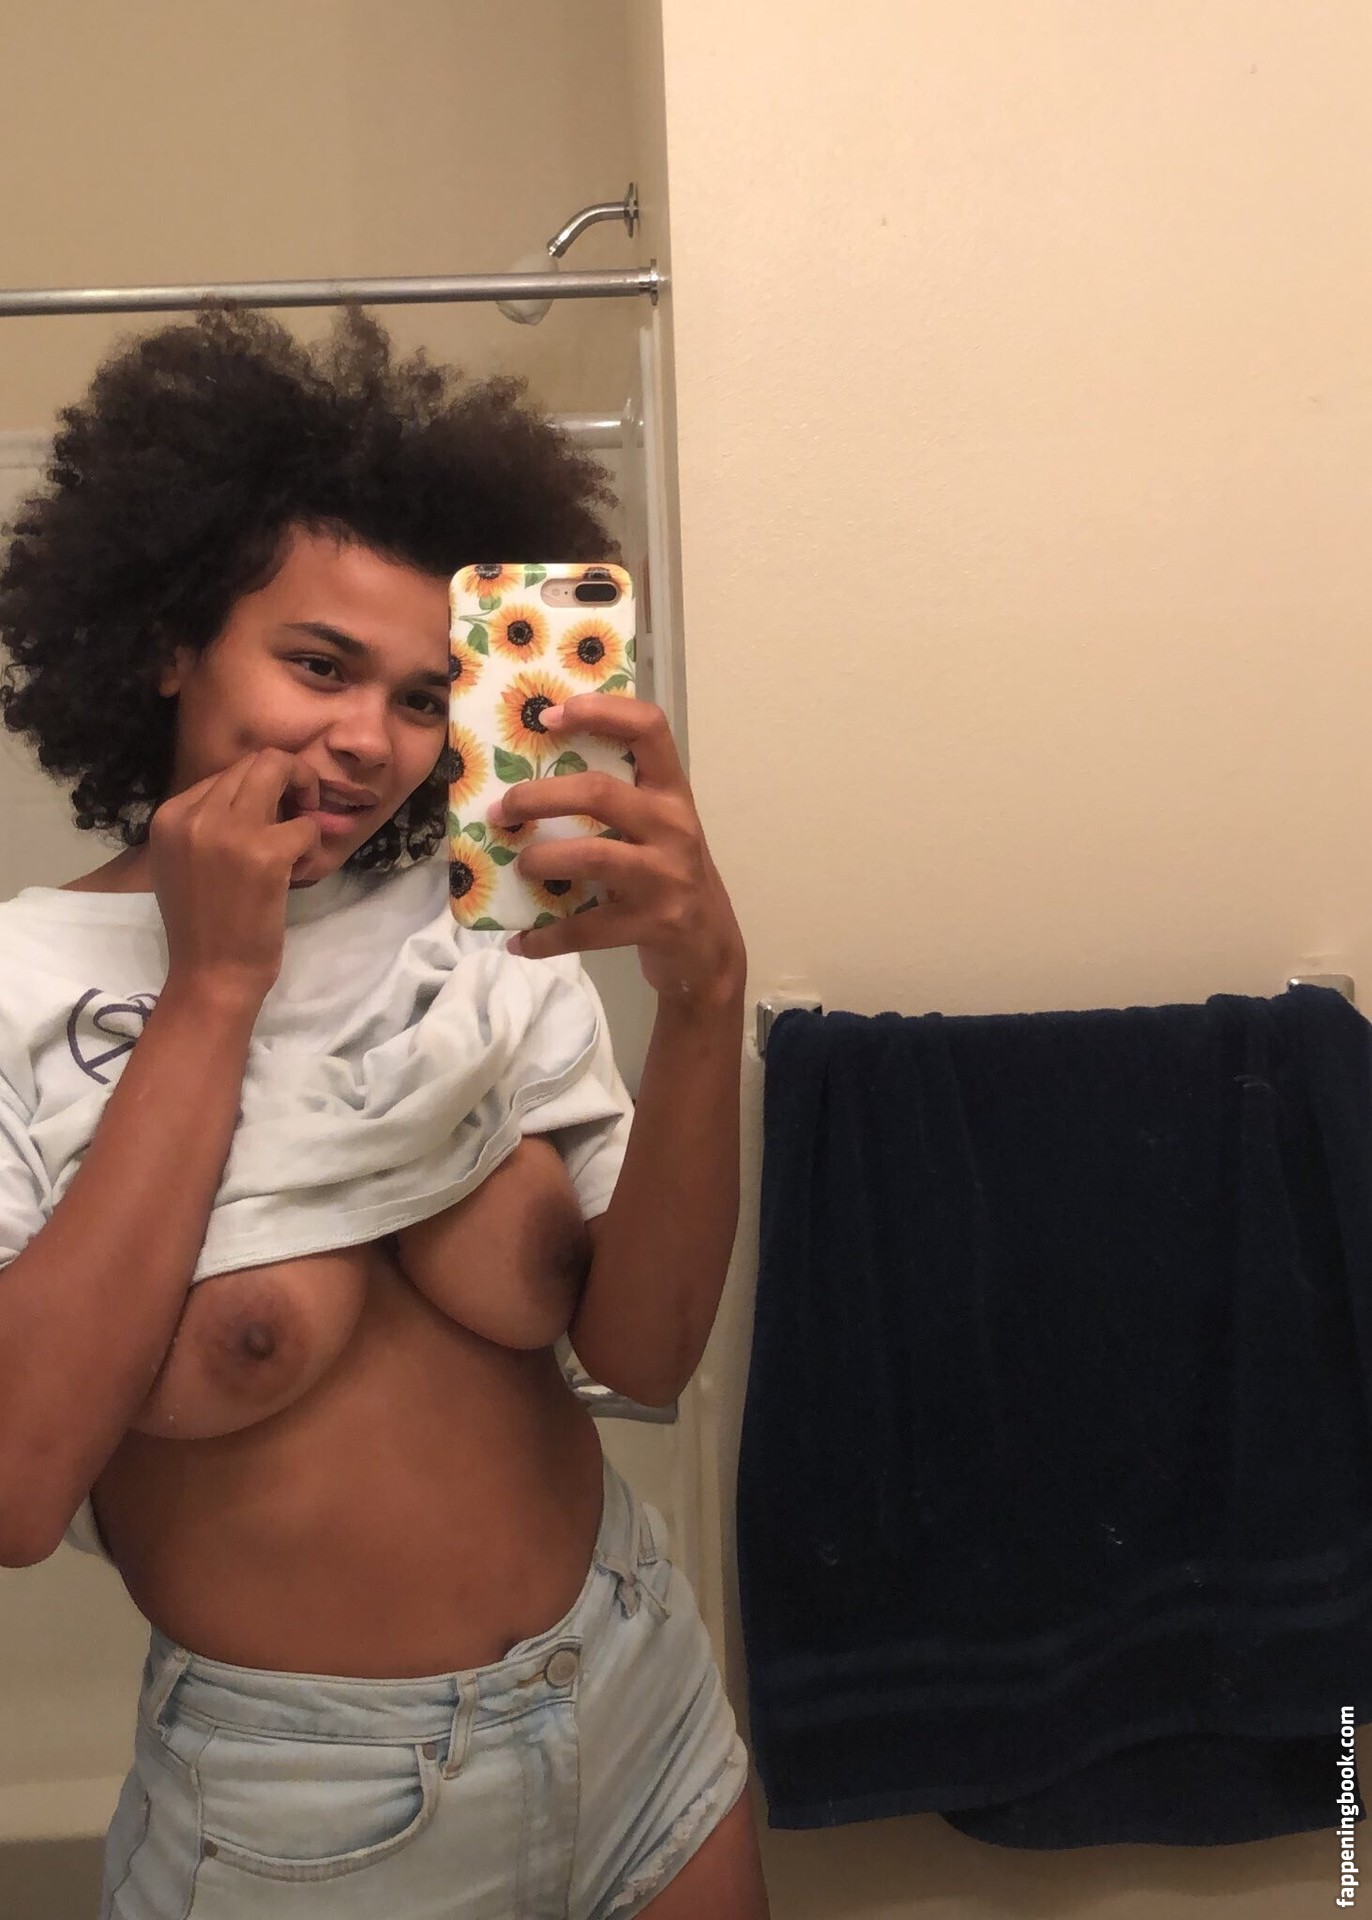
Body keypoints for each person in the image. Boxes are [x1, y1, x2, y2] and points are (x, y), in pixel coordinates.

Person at [0, 306, 769, 1918]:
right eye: (319, 666)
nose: (370, 742)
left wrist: (705, 1004)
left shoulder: (474, 924)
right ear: (169, 641)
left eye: (423, 696)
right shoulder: (21, 985)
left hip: (639, 1696)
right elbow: (17, 1483)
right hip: (311, 1818)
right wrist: (214, 984)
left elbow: (644, 1355)